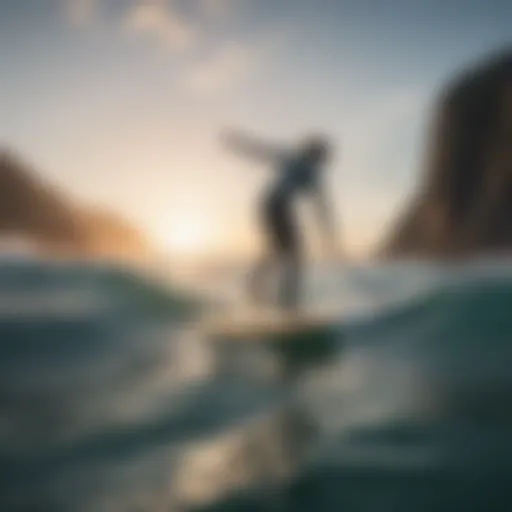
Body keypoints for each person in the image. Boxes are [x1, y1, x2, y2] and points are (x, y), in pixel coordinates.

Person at [222, 129, 338, 311]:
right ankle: (286, 302)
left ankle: (257, 289)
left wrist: (329, 237)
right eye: (321, 153)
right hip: (274, 205)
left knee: (281, 252)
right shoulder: (295, 159)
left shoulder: (313, 173)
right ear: (314, 151)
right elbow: (262, 151)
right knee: (293, 256)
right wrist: (238, 143)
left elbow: (321, 207)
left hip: (272, 206)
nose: (322, 159)